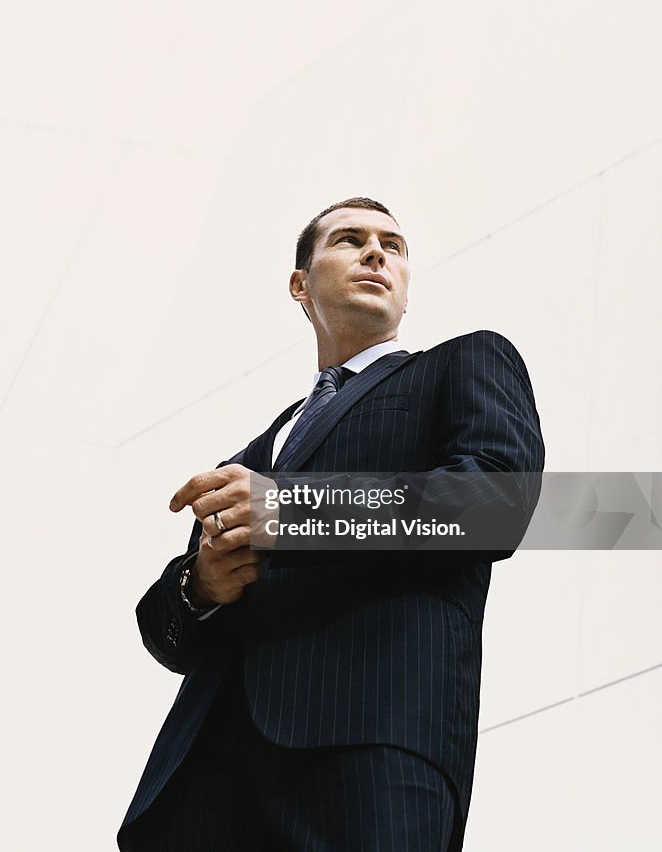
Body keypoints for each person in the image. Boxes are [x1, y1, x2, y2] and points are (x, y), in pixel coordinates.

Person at [117, 197, 545, 851]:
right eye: (350, 239)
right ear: (301, 284)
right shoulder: (250, 458)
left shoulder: (465, 363)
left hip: (369, 755)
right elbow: (170, 638)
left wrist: (289, 512)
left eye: (393, 247)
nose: (377, 253)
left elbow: (494, 507)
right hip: (200, 786)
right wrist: (201, 584)